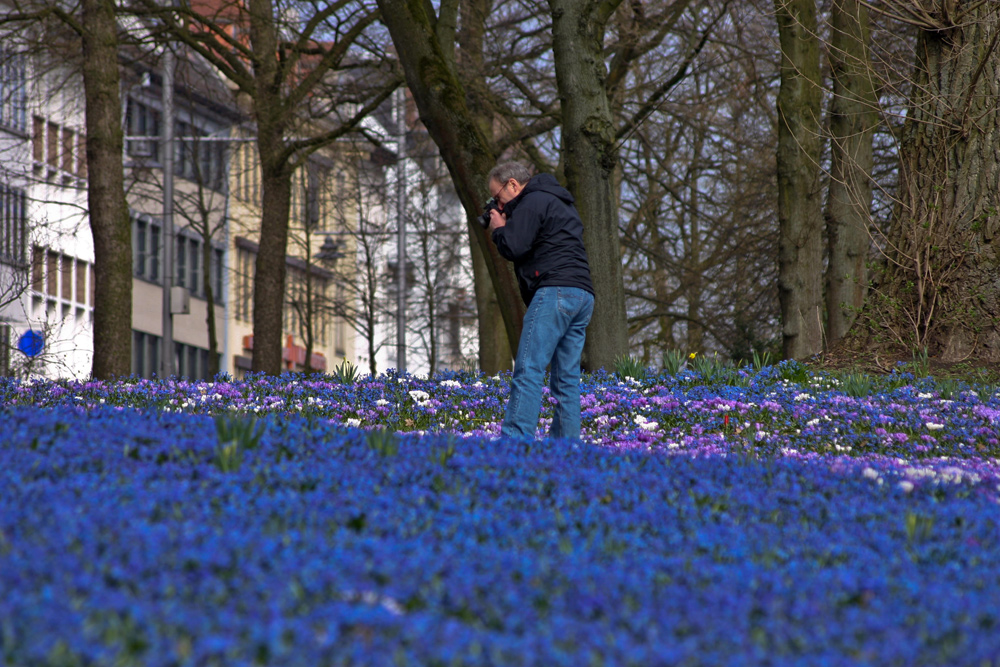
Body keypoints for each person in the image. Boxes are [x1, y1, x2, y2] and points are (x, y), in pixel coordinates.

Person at [486, 161, 595, 440]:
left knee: (529, 368)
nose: (497, 204)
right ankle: (566, 448)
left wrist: (498, 229)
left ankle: (515, 442)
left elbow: (514, 246)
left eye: (497, 197)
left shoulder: (531, 201)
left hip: (554, 290)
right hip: (582, 294)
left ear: (512, 184)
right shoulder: (558, 200)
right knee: (567, 378)